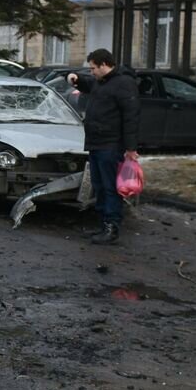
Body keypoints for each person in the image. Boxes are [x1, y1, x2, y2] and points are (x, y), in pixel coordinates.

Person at [68, 48, 140, 245]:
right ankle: (102, 224)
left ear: (104, 65)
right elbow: (89, 84)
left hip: (111, 145)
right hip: (96, 143)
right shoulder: (102, 82)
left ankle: (112, 226)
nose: (91, 72)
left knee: (110, 187)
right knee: (99, 186)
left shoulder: (124, 84)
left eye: (93, 68)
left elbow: (131, 117)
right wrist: (76, 79)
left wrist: (131, 148)